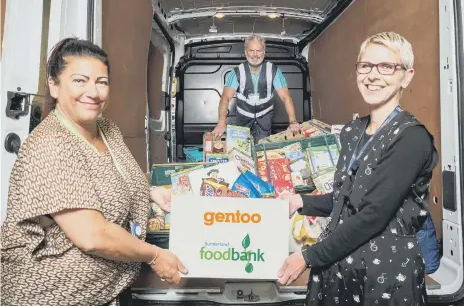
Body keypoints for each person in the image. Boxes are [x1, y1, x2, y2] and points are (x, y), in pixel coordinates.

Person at [1, 38, 187, 305]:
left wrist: (151, 192)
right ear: (54, 86)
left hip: (101, 293)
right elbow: (93, 235)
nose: (94, 92)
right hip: (49, 296)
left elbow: (116, 178)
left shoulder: (106, 128)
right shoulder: (51, 144)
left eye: (102, 82)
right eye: (80, 80)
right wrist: (155, 256)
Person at [277, 32, 439, 305]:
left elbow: (373, 215)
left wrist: (308, 257)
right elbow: (346, 198)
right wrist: (299, 201)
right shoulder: (352, 132)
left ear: (406, 76)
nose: (373, 75)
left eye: (387, 67)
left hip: (385, 276)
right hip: (341, 267)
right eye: (366, 66)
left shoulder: (410, 138)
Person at [212, 35, 300, 143]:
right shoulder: (236, 73)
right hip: (243, 122)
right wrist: (221, 123)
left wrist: (293, 121)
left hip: (264, 121)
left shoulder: (274, 71)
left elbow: (286, 97)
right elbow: (225, 98)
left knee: (261, 151)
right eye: (251, 50)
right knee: (241, 151)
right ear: (246, 52)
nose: (255, 55)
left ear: (264, 51)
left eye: (258, 50)